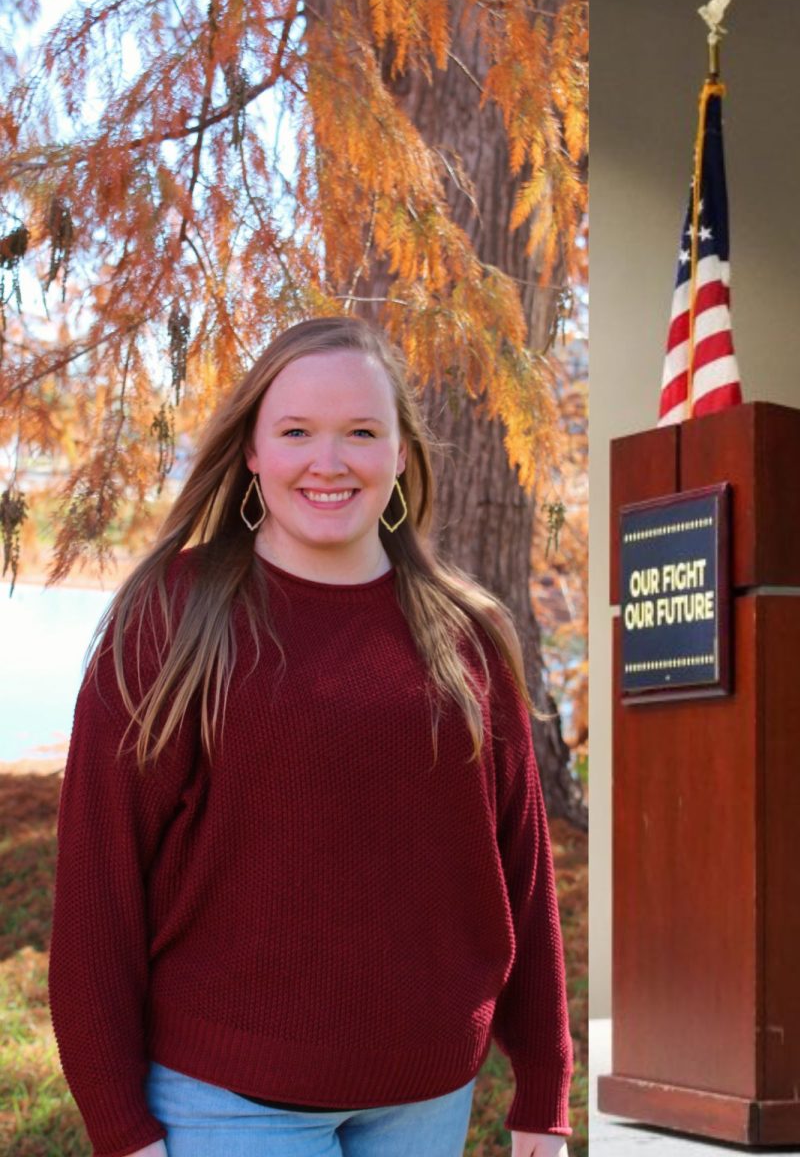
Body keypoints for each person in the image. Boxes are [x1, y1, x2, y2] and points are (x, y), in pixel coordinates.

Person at [49, 317, 572, 1157]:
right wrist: (120, 1123)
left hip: (426, 1100)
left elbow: (522, 868)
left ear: (401, 455)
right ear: (253, 451)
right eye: (296, 432)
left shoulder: (466, 633)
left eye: (362, 433)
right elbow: (99, 886)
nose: (328, 462)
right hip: (225, 1106)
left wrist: (544, 1090)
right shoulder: (175, 617)